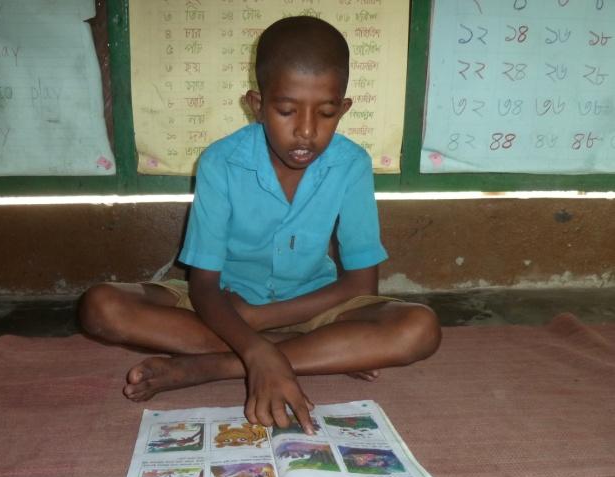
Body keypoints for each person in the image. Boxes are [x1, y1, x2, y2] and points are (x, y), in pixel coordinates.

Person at [79, 16, 441, 435]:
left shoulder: (352, 164)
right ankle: (316, 355)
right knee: (101, 307)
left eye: (325, 113)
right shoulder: (220, 162)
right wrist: (258, 338)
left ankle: (214, 367)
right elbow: (204, 286)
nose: (306, 132)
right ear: (257, 104)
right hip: (223, 305)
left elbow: (361, 285)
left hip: (313, 305)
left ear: (343, 109)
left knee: (420, 327)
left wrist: (259, 325)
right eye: (286, 111)